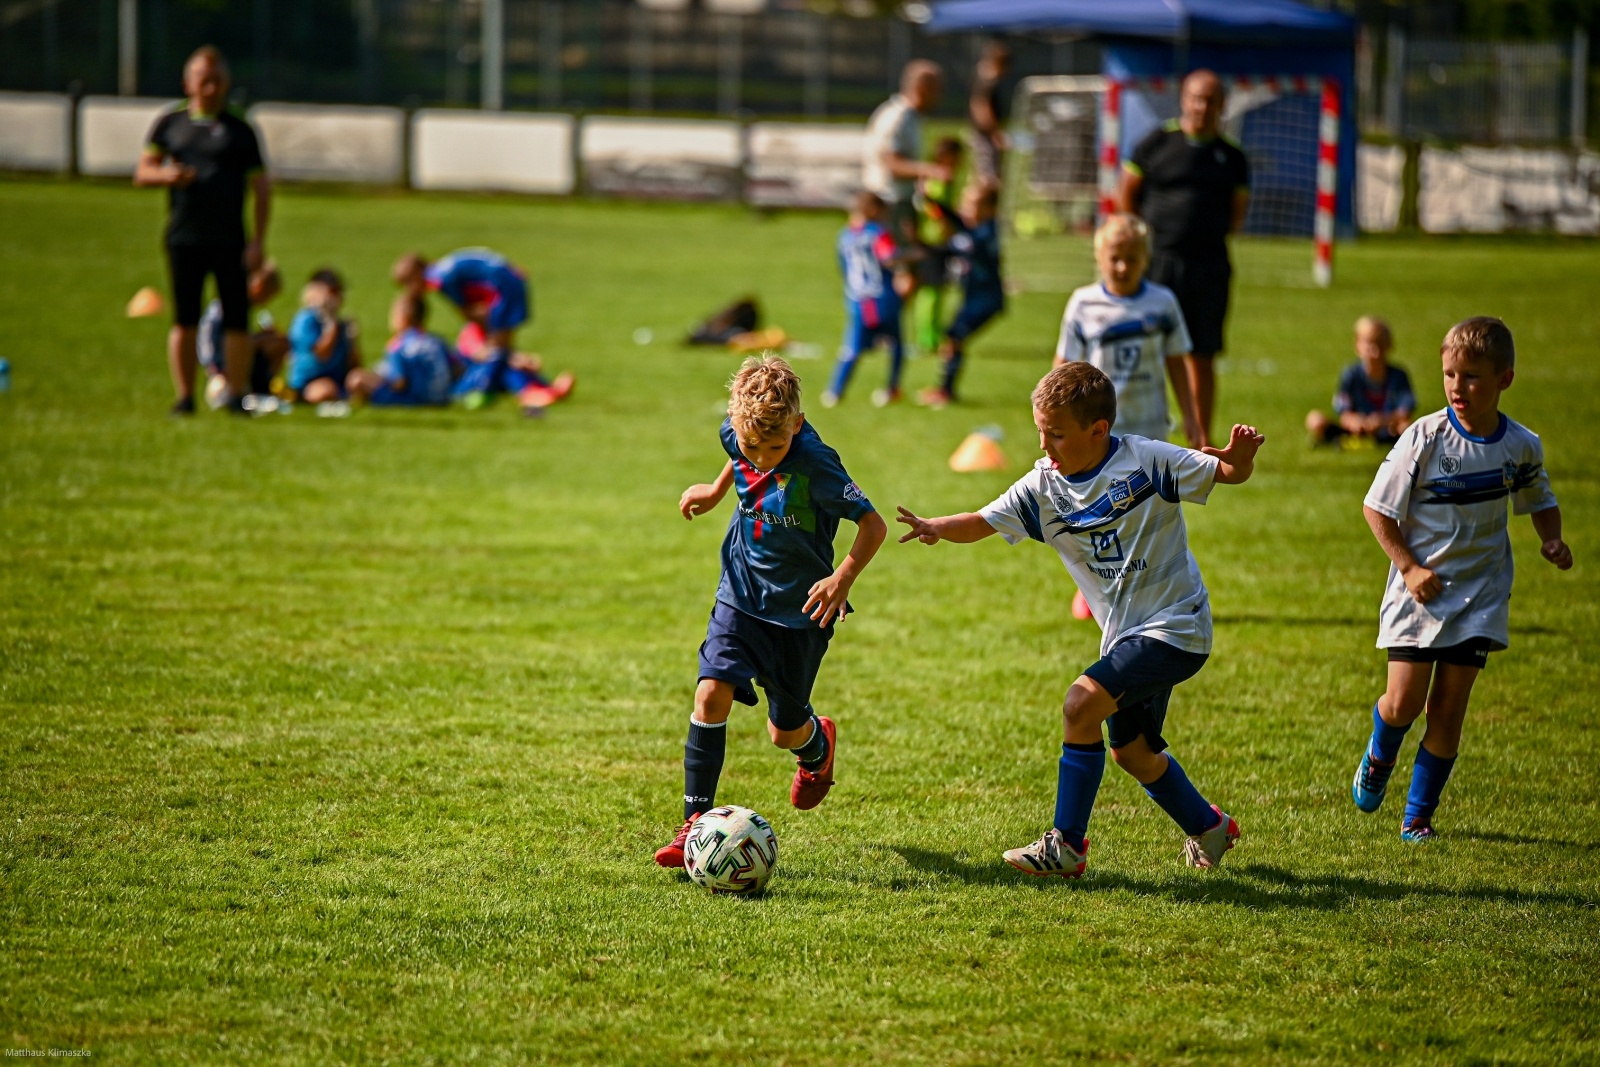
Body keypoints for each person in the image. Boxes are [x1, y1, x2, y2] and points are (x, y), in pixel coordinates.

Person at [896, 362, 1265, 878]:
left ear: (1098, 430)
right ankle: (1210, 826)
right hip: (1124, 637)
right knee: (1132, 753)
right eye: (1040, 431)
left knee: (1079, 705)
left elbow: (1223, 473)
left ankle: (1066, 845)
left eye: (1057, 434)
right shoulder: (1044, 487)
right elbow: (983, 521)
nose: (1044, 445)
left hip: (1177, 626)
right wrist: (936, 525)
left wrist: (1240, 461)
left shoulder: (1147, 460)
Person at [654, 355, 889, 868]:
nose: (761, 460)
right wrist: (716, 491)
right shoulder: (737, 434)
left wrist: (841, 578)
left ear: (797, 425)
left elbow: (873, 525)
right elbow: (736, 457)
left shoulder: (816, 462)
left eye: (775, 448)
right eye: (750, 446)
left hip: (801, 610)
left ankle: (817, 746)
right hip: (739, 592)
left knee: (784, 731)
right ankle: (694, 825)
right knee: (710, 693)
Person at [1350, 317, 1570, 842]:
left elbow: (1539, 498)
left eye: (1471, 376)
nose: (1457, 386)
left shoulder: (1520, 445)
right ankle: (1381, 753)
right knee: (1403, 703)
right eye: (1450, 374)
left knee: (1448, 710)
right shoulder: (1425, 437)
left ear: (1504, 379)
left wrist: (1552, 539)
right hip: (1419, 593)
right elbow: (1377, 509)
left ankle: (1417, 819)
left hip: (1480, 595)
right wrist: (1409, 567)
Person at [134, 45, 271, 417]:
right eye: (204, 80)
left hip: (230, 239)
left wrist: (258, 241)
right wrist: (168, 176)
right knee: (185, 318)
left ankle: (236, 395)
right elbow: (143, 171)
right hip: (184, 237)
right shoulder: (171, 123)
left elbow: (261, 188)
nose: (211, 88)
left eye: (217, 81)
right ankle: (184, 397)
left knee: (237, 318)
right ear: (188, 83)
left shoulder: (240, 128)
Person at [1119, 69, 1250, 448]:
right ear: (1183, 100)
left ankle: (1199, 437)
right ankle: (1142, 431)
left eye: (1210, 100)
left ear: (1222, 105)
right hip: (1158, 264)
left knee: (1202, 353)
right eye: (1196, 98)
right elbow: (1126, 193)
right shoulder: (1157, 143)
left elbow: (1237, 213)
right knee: (1147, 349)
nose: (1202, 107)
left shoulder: (1232, 157)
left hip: (1209, 266)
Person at [1053, 214, 1201, 446]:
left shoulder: (1163, 302)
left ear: (1146, 259)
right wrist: (1057, 417)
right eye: (1115, 258)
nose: (1123, 267)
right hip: (1100, 425)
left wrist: (1190, 416)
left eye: (1131, 259)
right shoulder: (1083, 303)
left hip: (1150, 426)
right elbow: (1064, 364)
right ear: (1099, 258)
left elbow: (1176, 361)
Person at [392, 249, 572, 409]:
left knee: (498, 354)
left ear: (417, 273)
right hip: (509, 283)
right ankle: (542, 388)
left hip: (502, 291)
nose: (410, 291)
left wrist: (487, 336)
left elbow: (467, 311)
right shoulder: (446, 267)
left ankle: (531, 392)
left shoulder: (439, 279)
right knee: (501, 354)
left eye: (408, 284)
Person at [918, 184, 1006, 408]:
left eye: (972, 205)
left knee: (953, 338)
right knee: (952, 339)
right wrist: (930, 200)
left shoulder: (987, 232)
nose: (965, 208)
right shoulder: (974, 229)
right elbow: (955, 219)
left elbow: (959, 245)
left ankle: (945, 392)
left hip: (985, 300)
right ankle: (944, 389)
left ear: (989, 209)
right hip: (973, 297)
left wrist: (922, 245)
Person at [822, 192, 909, 409]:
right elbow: (889, 257)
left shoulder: (844, 236)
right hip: (883, 297)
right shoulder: (878, 233)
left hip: (858, 300)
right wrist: (912, 254)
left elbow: (844, 269)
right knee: (897, 345)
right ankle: (891, 389)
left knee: (852, 348)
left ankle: (834, 391)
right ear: (874, 210)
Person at [863, 61, 950, 257]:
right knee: (900, 265)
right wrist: (931, 170)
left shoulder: (911, 117)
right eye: (937, 89)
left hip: (899, 200)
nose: (940, 95)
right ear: (922, 88)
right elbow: (892, 165)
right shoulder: (897, 117)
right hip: (888, 203)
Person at [1306, 316, 1416, 447]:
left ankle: (1390, 443)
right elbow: (1343, 411)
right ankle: (1337, 438)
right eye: (1369, 344)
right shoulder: (1351, 374)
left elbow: (1405, 411)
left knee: (1409, 427)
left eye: (1380, 344)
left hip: (1387, 427)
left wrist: (1382, 420)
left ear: (1389, 345)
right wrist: (1354, 421)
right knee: (1315, 419)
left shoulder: (1398, 375)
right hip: (1356, 428)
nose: (1374, 351)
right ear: (1357, 345)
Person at [198, 261, 286, 409]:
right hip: (222, 365)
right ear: (259, 287)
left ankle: (261, 387)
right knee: (220, 390)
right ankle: (230, 391)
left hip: (237, 359)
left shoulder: (245, 306)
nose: (266, 302)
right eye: (268, 296)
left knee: (279, 343)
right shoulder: (226, 307)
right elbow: (210, 338)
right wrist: (215, 368)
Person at [346, 295, 454, 408]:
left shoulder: (398, 344)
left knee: (356, 379)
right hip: (441, 398)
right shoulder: (437, 341)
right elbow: (454, 369)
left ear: (403, 317)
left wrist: (381, 381)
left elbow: (399, 383)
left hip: (415, 400)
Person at [912, 137, 965, 355]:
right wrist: (947, 225)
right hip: (933, 241)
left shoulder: (937, 178)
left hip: (938, 241)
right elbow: (931, 206)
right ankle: (927, 338)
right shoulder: (937, 179)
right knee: (930, 291)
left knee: (937, 290)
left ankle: (933, 334)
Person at [286, 269, 360, 405]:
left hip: (338, 380)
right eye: (332, 292)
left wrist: (353, 342)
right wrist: (332, 325)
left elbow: (355, 366)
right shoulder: (306, 320)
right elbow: (322, 354)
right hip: (309, 382)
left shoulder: (342, 324)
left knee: (361, 381)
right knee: (326, 391)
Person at [967, 40, 1012, 192]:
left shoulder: (982, 78)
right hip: (985, 136)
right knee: (988, 179)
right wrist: (995, 134)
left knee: (986, 174)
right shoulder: (987, 80)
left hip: (984, 135)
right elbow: (981, 108)